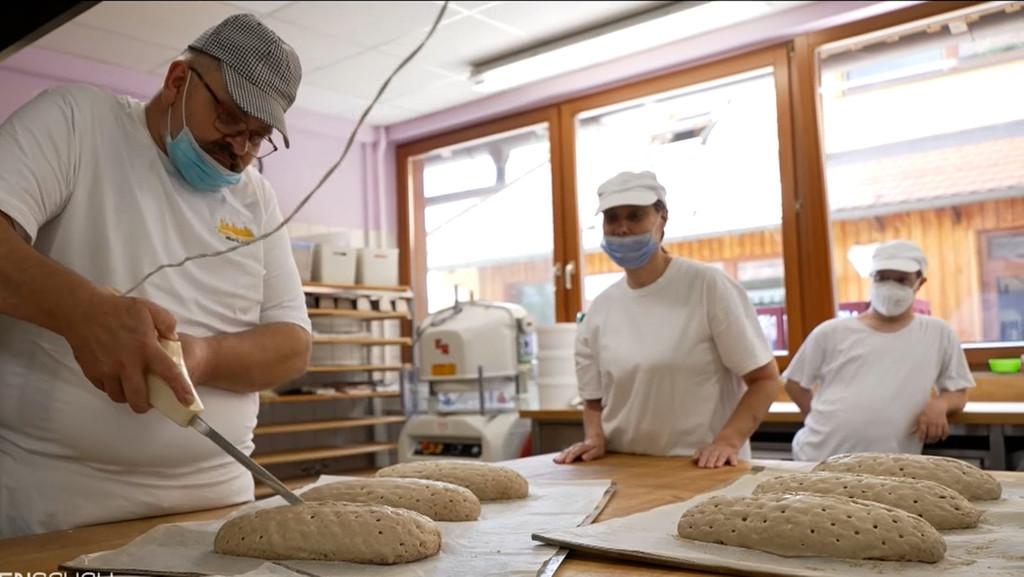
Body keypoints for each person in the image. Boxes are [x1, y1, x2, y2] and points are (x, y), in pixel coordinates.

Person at [0, 14, 313, 538]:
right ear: (177, 81)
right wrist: (82, 311)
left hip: (220, 510)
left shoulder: (256, 197)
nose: (239, 147)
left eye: (257, 137)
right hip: (60, 508)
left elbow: (293, 346)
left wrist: (206, 356)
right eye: (231, 119)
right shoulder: (78, 123)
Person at [553, 171, 781, 469]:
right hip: (626, 468)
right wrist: (595, 438)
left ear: (662, 219)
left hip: (700, 468)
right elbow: (593, 400)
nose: (622, 228)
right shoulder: (600, 310)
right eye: (612, 218)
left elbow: (764, 380)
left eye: (635, 216)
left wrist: (727, 442)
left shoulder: (706, 286)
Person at [782, 239, 974, 462]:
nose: (890, 286)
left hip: (890, 465)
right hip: (817, 457)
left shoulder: (938, 333)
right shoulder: (831, 332)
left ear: (919, 283)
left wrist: (940, 405)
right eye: (882, 278)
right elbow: (794, 383)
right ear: (871, 279)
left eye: (901, 280)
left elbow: (959, 391)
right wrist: (817, 419)